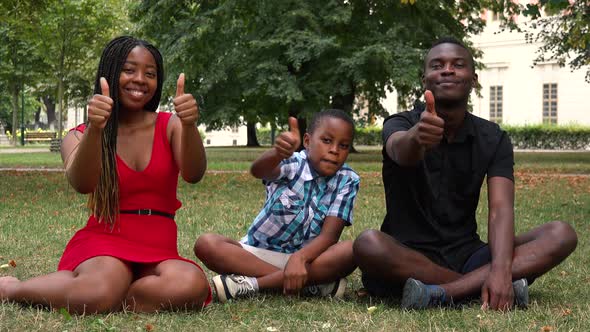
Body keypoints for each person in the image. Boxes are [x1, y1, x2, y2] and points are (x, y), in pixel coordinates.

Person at [353, 37, 578, 311]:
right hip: (405, 257)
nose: (447, 70)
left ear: (474, 78)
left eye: (458, 65)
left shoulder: (493, 138)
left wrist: (499, 268)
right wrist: (417, 138)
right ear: (424, 79)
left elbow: (500, 210)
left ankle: (443, 293)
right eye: (437, 65)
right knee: (368, 243)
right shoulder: (400, 123)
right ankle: (480, 288)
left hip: (468, 254)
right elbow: (401, 151)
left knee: (560, 233)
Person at [0, 36, 211, 313]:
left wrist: (190, 125)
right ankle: (12, 288)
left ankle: (112, 296)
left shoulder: (169, 125)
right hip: (104, 242)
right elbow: (83, 183)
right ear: (109, 73)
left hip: (158, 246)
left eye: (150, 74)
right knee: (99, 288)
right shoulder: (78, 136)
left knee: (191, 284)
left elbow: (194, 174)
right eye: (129, 70)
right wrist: (97, 129)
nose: (139, 79)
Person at [194, 110, 360, 302]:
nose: (334, 150)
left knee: (352, 250)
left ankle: (253, 285)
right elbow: (259, 170)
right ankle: (311, 285)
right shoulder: (294, 162)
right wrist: (277, 153)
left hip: (309, 260)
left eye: (344, 145)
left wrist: (299, 258)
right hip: (257, 254)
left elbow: (329, 236)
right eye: (327, 140)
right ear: (307, 141)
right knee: (207, 244)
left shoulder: (348, 180)